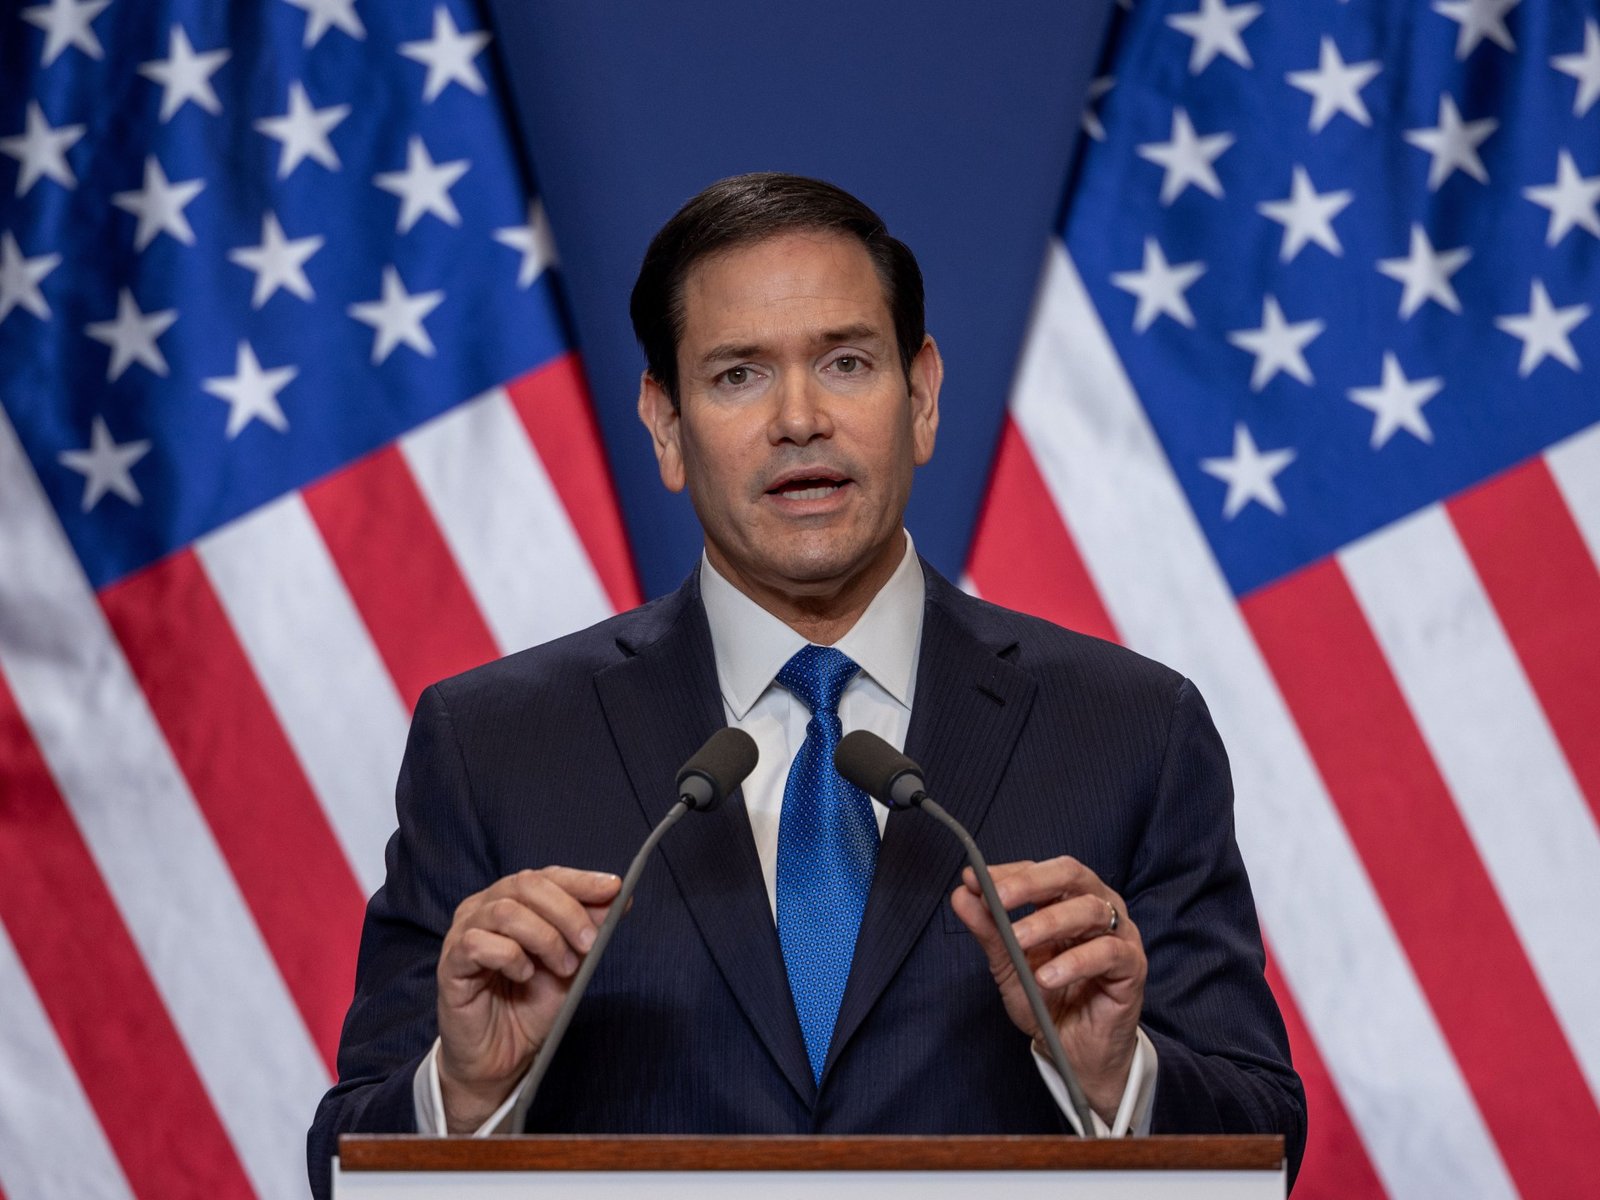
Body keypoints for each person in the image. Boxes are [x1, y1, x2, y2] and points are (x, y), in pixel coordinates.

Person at [308, 173, 1305, 1196]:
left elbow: (1265, 1146)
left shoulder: (1131, 729)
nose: (799, 418)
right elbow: (346, 1167)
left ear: (921, 397)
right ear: (665, 424)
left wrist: (1116, 1080)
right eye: (738, 374)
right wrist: (466, 1094)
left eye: (845, 363)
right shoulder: (493, 743)